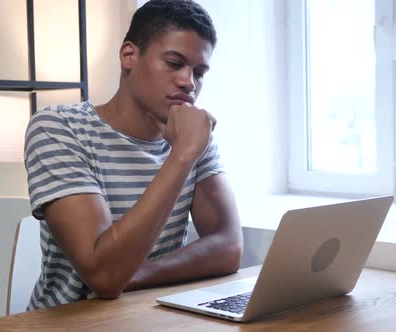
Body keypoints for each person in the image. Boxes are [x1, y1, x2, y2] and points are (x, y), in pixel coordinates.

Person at [23, 0, 243, 310]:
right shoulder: (58, 127)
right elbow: (103, 273)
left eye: (199, 72)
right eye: (174, 62)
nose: (188, 82)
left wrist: (131, 275)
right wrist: (181, 156)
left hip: (151, 316)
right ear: (129, 55)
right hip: (69, 322)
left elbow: (228, 248)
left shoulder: (193, 136)